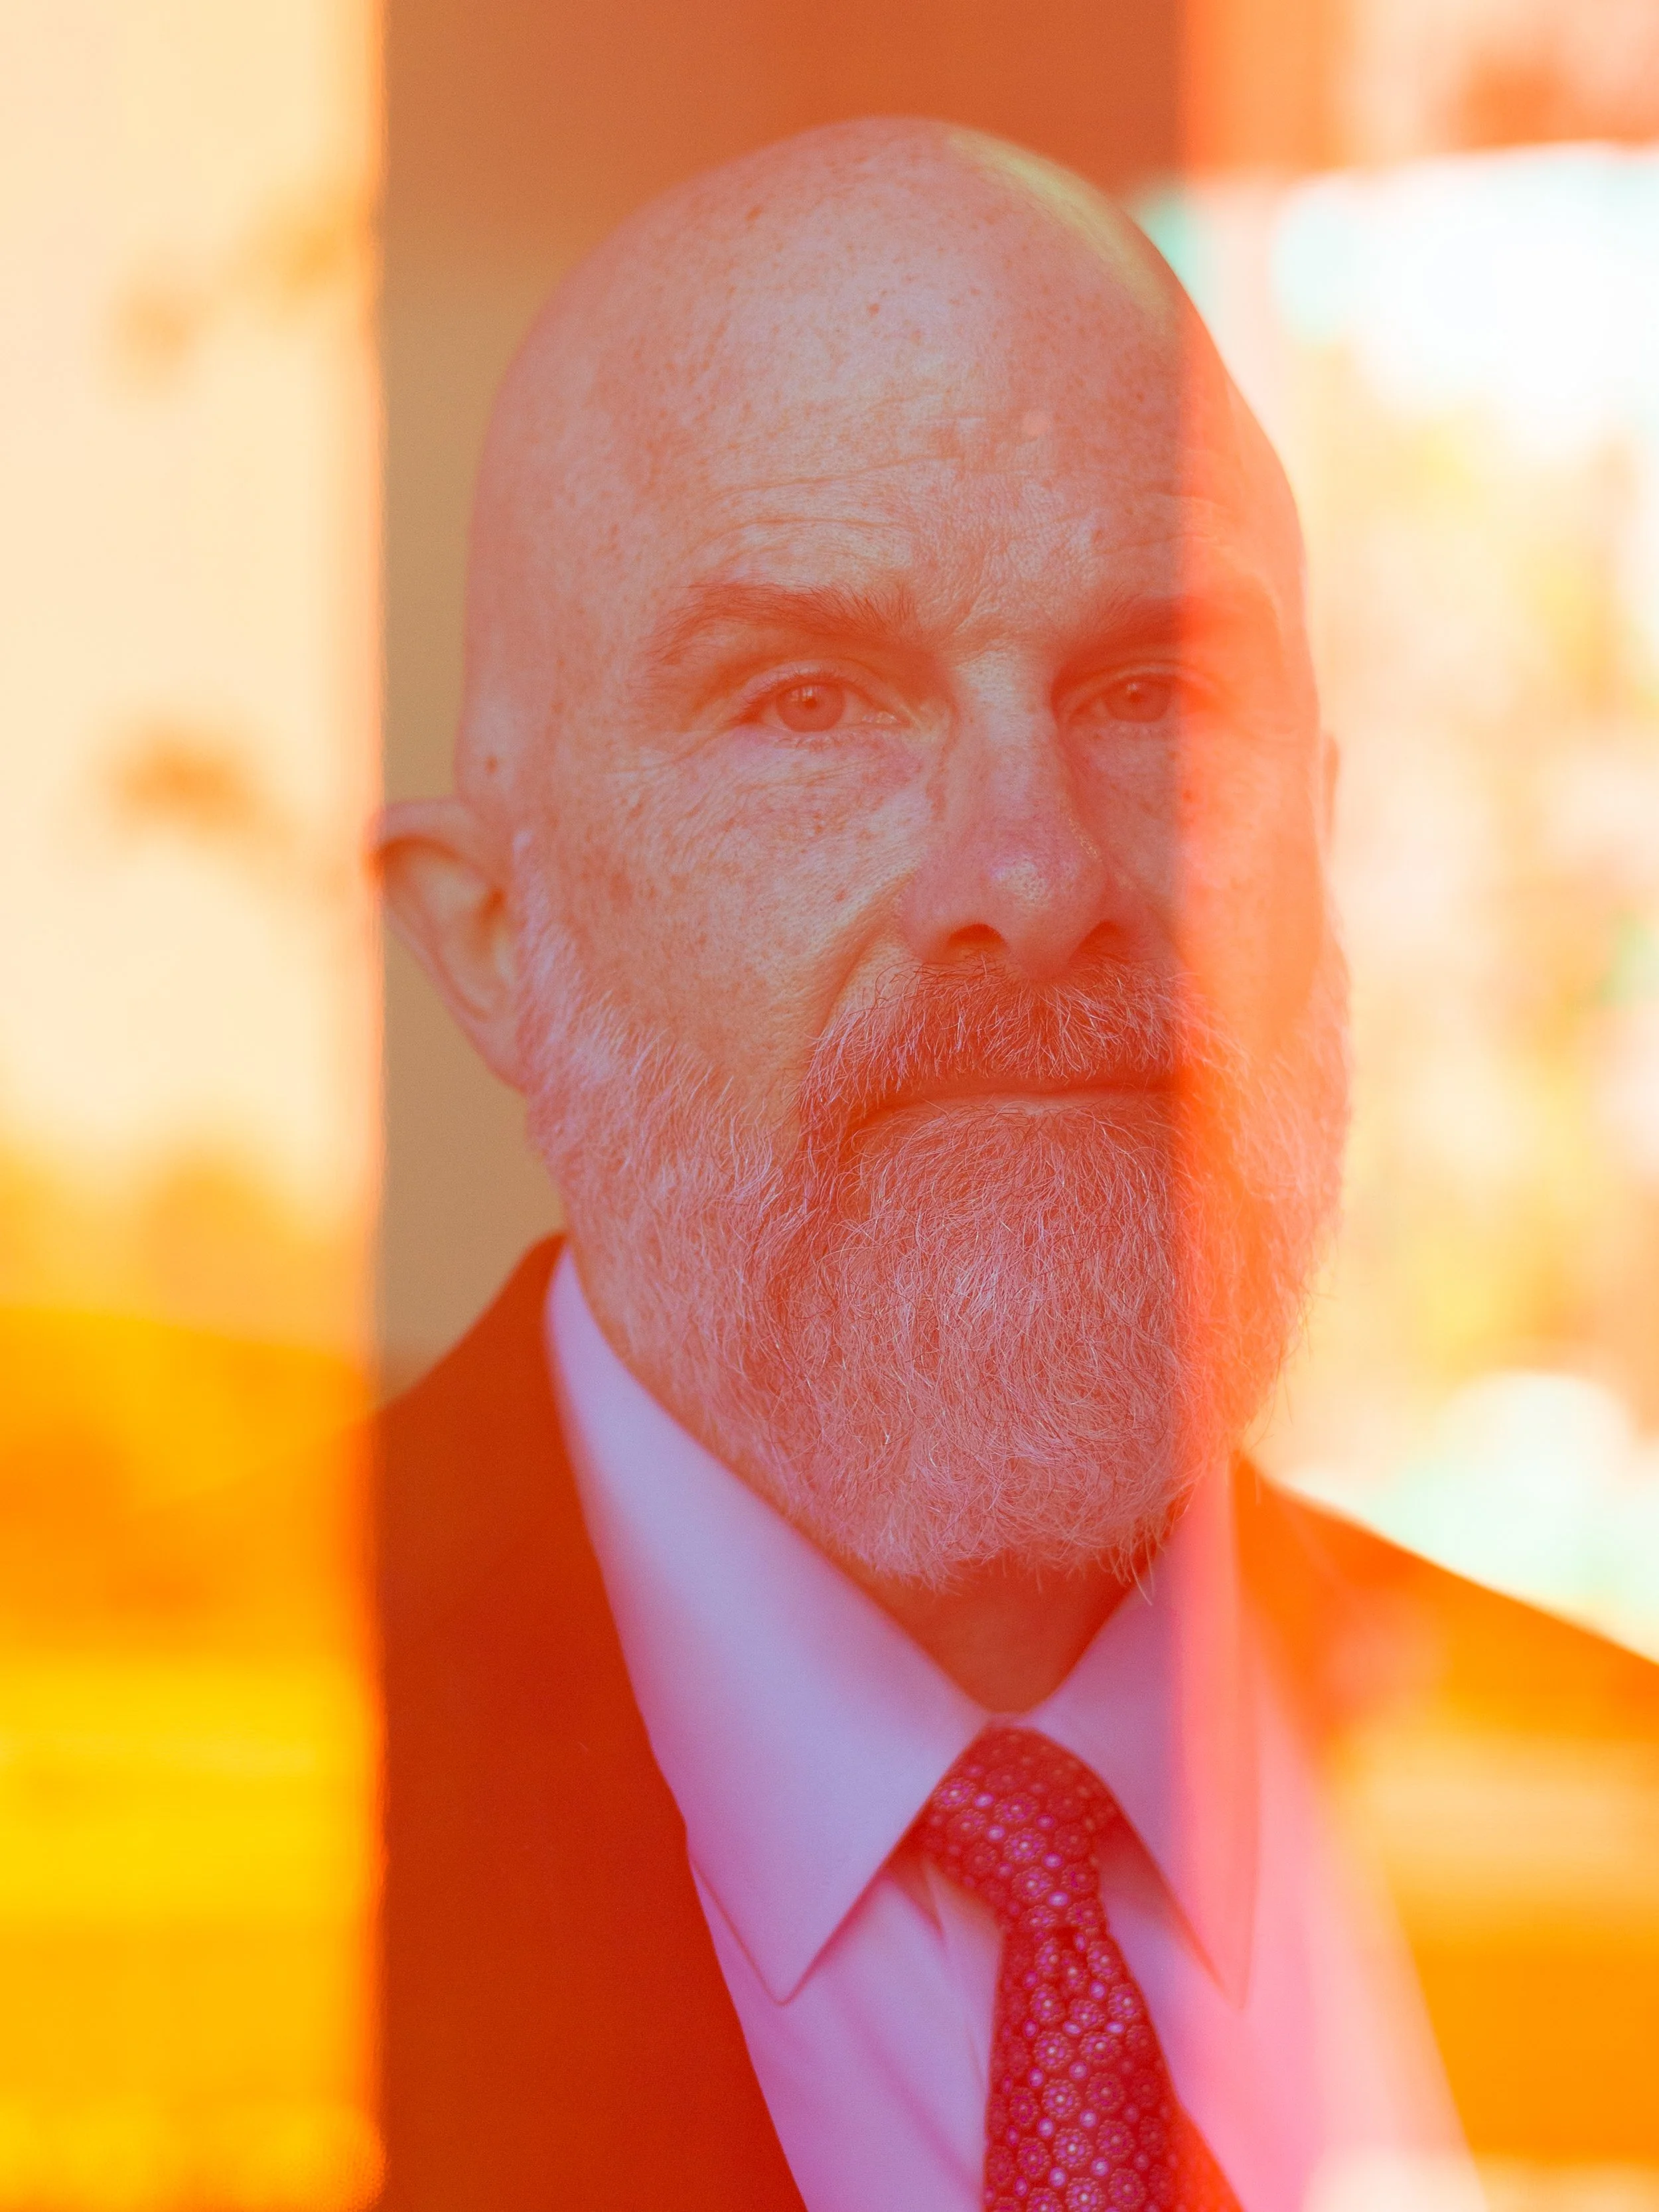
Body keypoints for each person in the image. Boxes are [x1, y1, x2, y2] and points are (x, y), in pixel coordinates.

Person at [372, 120, 1659, 2211]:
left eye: (1156, 688)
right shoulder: (146, 1812)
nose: (1035, 875)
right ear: (494, 940)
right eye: (807, 702)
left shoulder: (1605, 1805)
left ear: (1319, 840)